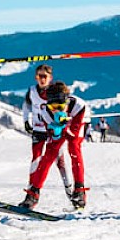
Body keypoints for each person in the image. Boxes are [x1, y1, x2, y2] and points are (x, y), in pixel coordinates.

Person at [23, 81, 88, 210]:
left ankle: (79, 190)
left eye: (59, 106)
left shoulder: (78, 106)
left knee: (74, 147)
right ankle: (33, 193)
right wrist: (55, 131)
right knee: (49, 155)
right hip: (60, 125)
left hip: (77, 119)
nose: (56, 110)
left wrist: (64, 127)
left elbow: (73, 136)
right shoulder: (45, 112)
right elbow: (54, 139)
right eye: (53, 107)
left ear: (66, 102)